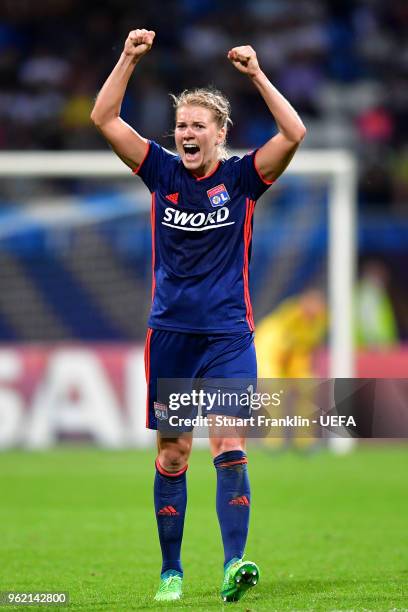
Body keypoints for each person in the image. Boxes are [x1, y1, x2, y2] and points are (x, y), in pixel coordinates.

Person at [91, 28, 306, 604]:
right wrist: (129, 58)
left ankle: (235, 563)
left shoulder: (242, 179)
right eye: (181, 126)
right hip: (171, 339)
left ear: (219, 134)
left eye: (197, 126)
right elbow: (105, 118)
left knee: (228, 439)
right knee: (173, 452)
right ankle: (171, 571)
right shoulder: (161, 172)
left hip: (230, 336)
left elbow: (295, 132)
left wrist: (257, 75)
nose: (186, 134)